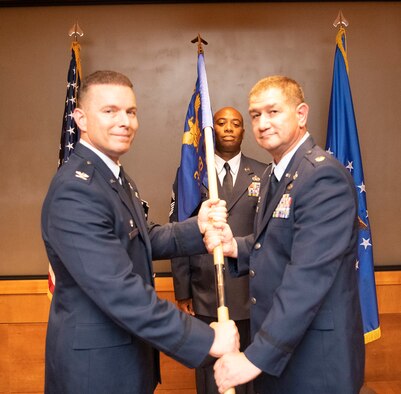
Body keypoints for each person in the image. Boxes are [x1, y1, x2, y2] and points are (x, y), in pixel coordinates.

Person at [41, 70, 239, 394]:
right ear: (80, 118)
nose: (125, 121)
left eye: (131, 112)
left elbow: (140, 239)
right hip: (96, 373)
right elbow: (120, 292)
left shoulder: (114, 177)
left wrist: (198, 229)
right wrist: (207, 339)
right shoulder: (76, 191)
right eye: (110, 111)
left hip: (128, 358)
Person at [208, 76, 365, 394]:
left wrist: (254, 359)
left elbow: (308, 276)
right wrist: (233, 246)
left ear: (302, 114)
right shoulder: (272, 174)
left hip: (314, 359)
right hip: (281, 354)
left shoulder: (322, 177)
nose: (262, 123)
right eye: (255, 115)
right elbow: (273, 243)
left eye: (273, 112)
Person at [169, 107, 267, 394]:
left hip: (251, 289)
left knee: (250, 371)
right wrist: (182, 289)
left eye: (235, 124)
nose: (228, 128)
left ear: (243, 131)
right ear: (211, 130)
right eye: (221, 123)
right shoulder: (192, 174)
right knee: (211, 377)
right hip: (205, 288)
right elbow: (179, 228)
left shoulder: (263, 173)